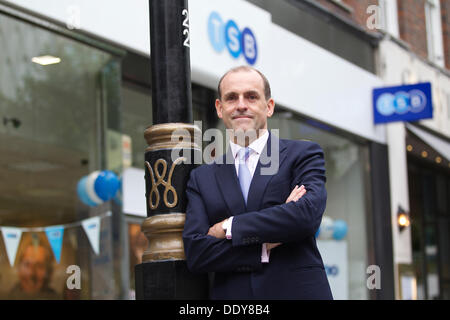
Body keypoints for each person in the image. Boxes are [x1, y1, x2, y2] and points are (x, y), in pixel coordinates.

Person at [182, 66, 333, 299]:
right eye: (232, 98)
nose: (241, 104)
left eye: (251, 97)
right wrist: (267, 242)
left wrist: (228, 227)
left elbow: (305, 216)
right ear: (220, 109)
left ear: (269, 106)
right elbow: (197, 253)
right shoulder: (202, 177)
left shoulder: (302, 154)